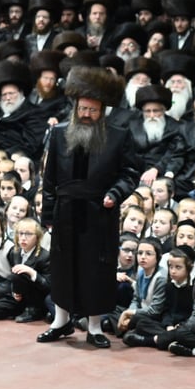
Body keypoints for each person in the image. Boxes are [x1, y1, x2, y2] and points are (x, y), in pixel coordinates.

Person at [38, 66, 138, 348]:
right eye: (83, 109)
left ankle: (94, 327)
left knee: (96, 270)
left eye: (93, 111)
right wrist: (48, 216)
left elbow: (130, 173)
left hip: (99, 211)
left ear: (102, 111)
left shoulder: (119, 136)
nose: (87, 115)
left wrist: (115, 194)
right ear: (76, 107)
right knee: (62, 267)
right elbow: (49, 178)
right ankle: (60, 321)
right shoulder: (59, 133)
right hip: (65, 210)